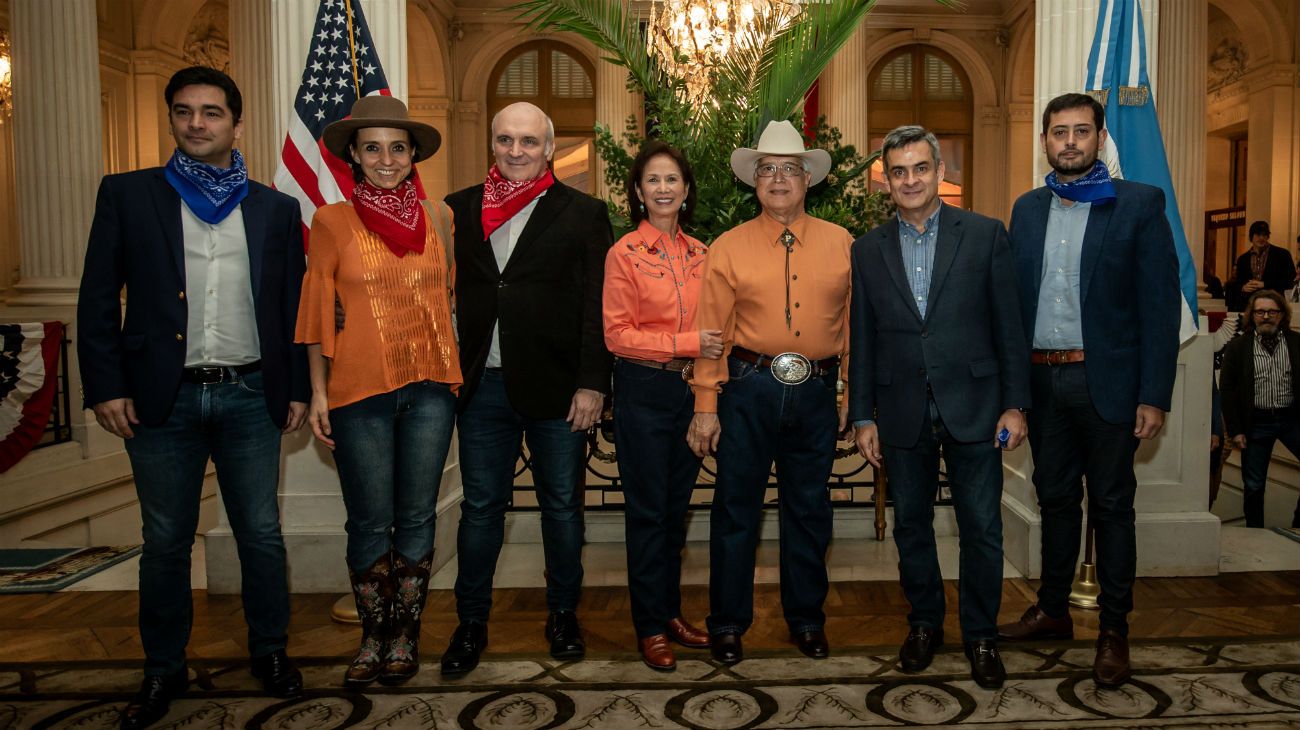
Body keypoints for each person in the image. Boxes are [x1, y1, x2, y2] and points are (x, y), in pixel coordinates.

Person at [77, 66, 307, 730]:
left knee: (261, 535)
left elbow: (290, 308)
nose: (197, 124)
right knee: (167, 540)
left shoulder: (275, 208)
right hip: (159, 400)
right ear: (172, 119)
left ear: (237, 124)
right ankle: (162, 669)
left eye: (211, 113)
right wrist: (106, 385)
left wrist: (289, 389)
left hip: (248, 394)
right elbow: (97, 300)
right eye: (184, 112)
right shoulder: (128, 196)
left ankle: (269, 652)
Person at [998, 93, 1181, 688]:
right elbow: (1013, 307)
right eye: (1059, 133)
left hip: (1109, 385)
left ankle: (1113, 630)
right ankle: (1053, 610)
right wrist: (1013, 392)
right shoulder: (1026, 210)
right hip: (1042, 381)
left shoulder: (1138, 205)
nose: (1069, 142)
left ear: (1100, 138)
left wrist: (1153, 394)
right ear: (1045, 142)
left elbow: (1159, 308)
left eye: (1081, 131)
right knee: (1054, 501)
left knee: (1111, 507)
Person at [848, 125, 1030, 689]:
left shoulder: (984, 235)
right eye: (898, 171)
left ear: (939, 173)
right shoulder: (868, 249)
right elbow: (864, 336)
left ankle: (981, 635)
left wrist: (1015, 405)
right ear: (887, 181)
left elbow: (1009, 327)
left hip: (976, 407)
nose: (909, 180)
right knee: (911, 526)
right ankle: (924, 624)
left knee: (981, 527)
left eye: (919, 168)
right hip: (901, 410)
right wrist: (862, 415)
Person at [438, 101, 614, 676]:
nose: (517, 151)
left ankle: (563, 614)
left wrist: (593, 383)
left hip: (560, 390)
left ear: (550, 146)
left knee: (562, 510)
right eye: (506, 140)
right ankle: (471, 623)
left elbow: (596, 309)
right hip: (481, 389)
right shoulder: (459, 210)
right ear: (493, 143)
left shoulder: (585, 213)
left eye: (529, 142)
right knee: (481, 510)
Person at [296, 96, 460, 687]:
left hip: (432, 390)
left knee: (417, 516)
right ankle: (372, 637)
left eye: (397, 147)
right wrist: (318, 391)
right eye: (373, 148)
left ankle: (405, 638)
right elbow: (317, 312)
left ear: (413, 154)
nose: (386, 159)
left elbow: (449, 296)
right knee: (368, 522)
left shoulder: (440, 216)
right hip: (358, 391)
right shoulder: (331, 222)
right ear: (355, 157)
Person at [686, 120, 852, 666]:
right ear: (754, 181)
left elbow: (853, 326)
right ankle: (728, 623)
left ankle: (807, 619)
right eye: (767, 170)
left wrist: (852, 394)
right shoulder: (727, 248)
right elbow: (711, 334)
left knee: (809, 509)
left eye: (788, 169)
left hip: (817, 391)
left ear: (808, 179)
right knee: (735, 509)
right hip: (747, 389)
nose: (778, 178)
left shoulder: (843, 244)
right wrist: (706, 408)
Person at [602, 141, 718, 670]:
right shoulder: (624, 253)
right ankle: (648, 626)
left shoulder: (703, 254)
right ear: (638, 191)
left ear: (686, 190)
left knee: (675, 512)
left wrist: (705, 392)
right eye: (653, 180)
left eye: (673, 180)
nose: (664, 188)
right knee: (648, 513)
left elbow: (720, 327)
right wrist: (688, 344)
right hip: (642, 391)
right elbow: (618, 335)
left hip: (691, 393)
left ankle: (669, 612)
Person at [1219, 289, 1300, 529]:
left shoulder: (1297, 343)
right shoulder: (1237, 347)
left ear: (1282, 314)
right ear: (1251, 315)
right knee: (1254, 485)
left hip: (1291, 420)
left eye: (1272, 311)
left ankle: (1298, 523)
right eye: (1260, 311)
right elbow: (1227, 391)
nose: (1266, 316)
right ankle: (1255, 533)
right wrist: (1236, 430)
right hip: (1255, 423)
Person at [1228, 221, 1294, 310]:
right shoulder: (1243, 259)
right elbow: (1236, 283)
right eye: (1258, 235)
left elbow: (1290, 280)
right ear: (1251, 237)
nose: (1261, 238)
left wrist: (1265, 284)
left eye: (1264, 235)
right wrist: (1243, 287)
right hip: (1250, 306)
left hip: (1275, 305)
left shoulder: (1282, 255)